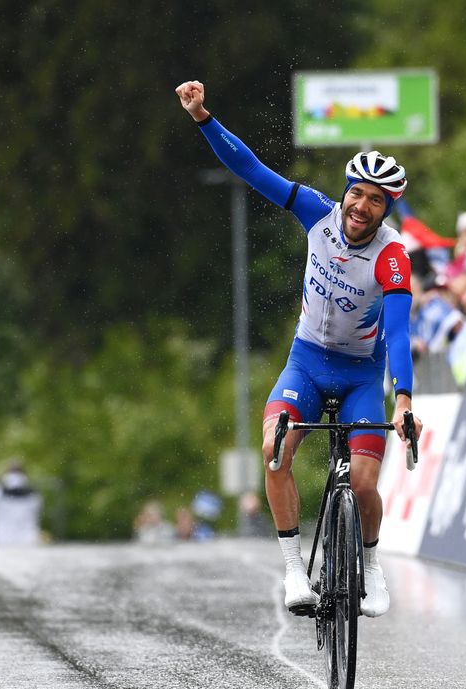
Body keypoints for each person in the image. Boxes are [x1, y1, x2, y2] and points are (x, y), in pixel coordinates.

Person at [177, 80, 421, 618]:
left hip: (361, 374)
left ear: (386, 210)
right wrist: (203, 118)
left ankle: (372, 566)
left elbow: (400, 334)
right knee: (274, 450)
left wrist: (403, 401)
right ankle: (293, 567)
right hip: (306, 363)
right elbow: (252, 171)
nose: (361, 205)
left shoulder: (393, 257)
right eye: (357, 192)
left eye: (375, 200)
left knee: (361, 483)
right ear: (346, 191)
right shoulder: (316, 213)